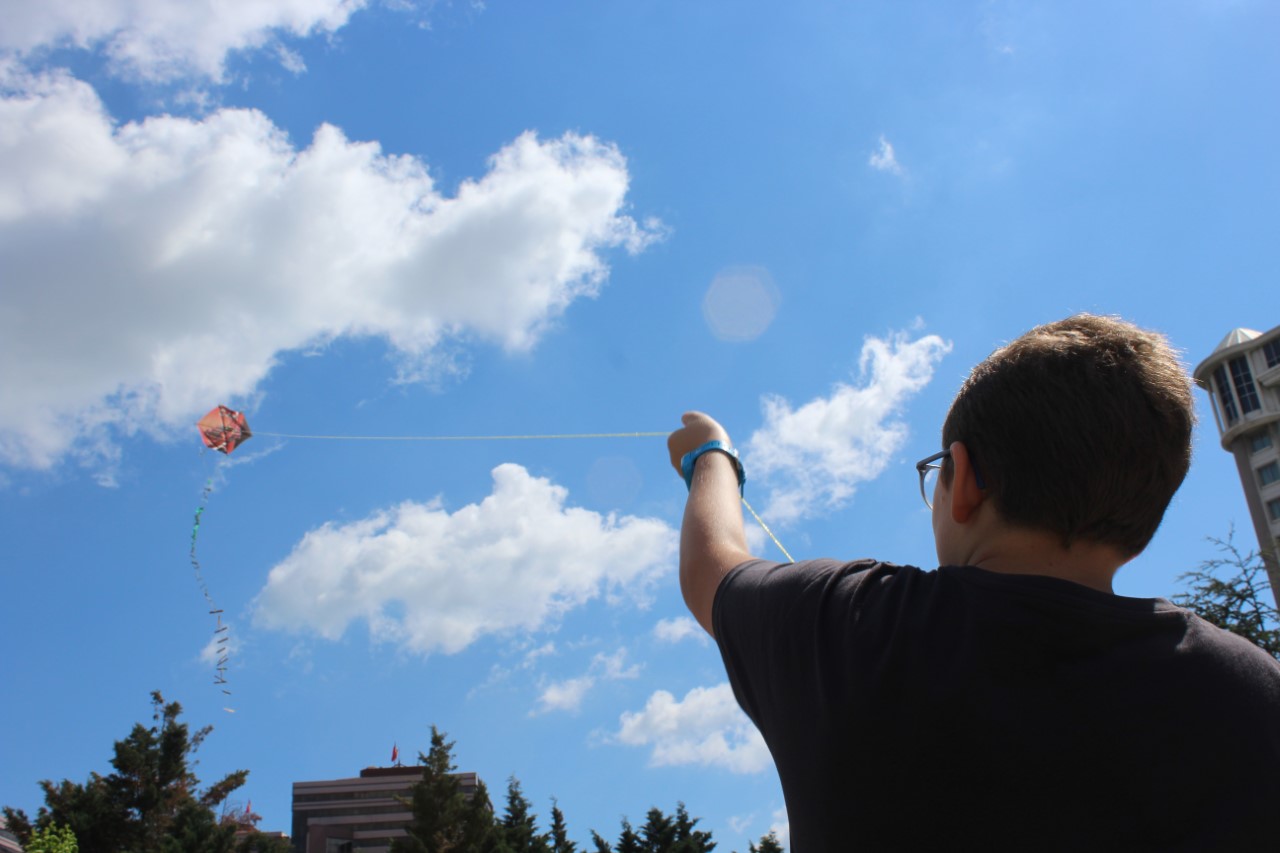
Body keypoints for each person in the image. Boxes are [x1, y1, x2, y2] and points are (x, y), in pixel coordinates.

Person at [667, 315, 1280, 852]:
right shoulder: (1251, 690)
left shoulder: (849, 625)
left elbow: (710, 567)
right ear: (1145, 519)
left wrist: (711, 455)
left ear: (963, 480)